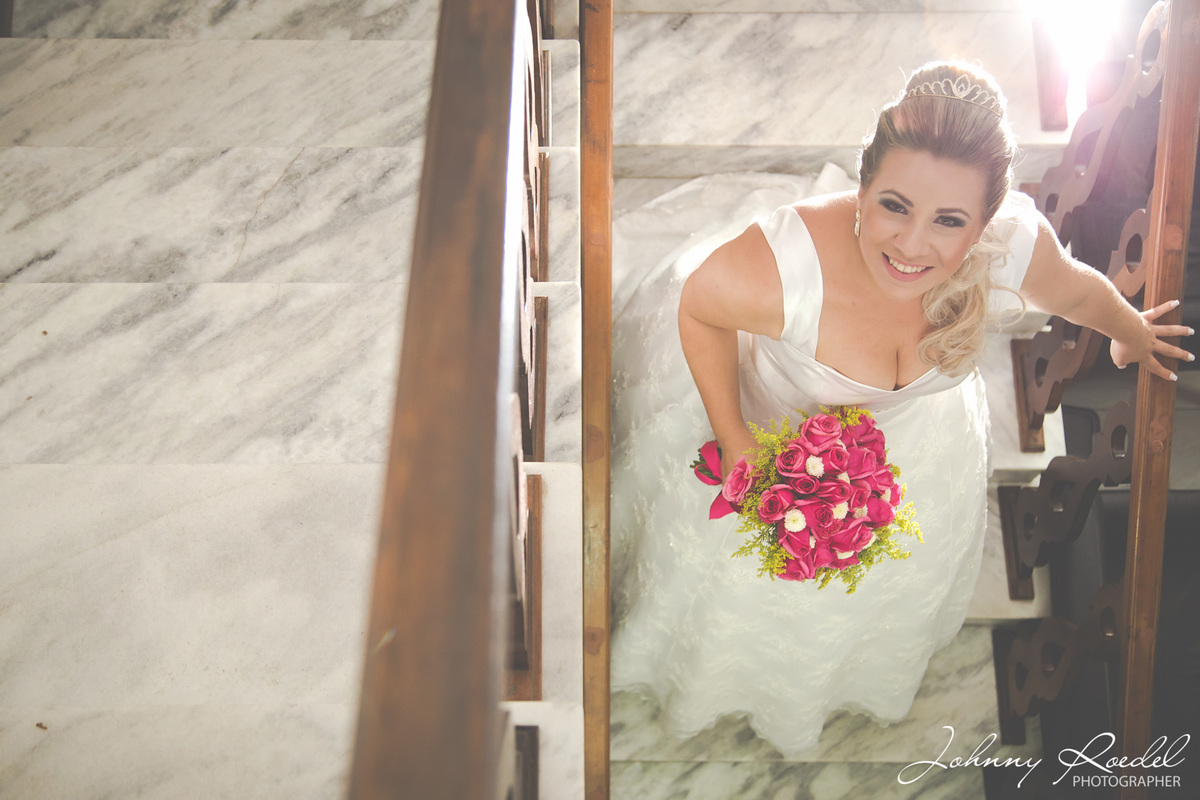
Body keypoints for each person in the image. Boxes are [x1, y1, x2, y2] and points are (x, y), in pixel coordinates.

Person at [608, 60, 1192, 758]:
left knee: (864, 599)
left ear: (984, 225)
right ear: (863, 188)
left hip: (918, 449)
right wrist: (735, 437)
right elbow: (700, 310)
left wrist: (1131, 332)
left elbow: (1074, 291)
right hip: (769, 423)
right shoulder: (783, 269)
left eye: (949, 221)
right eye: (894, 206)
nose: (912, 247)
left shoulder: (1011, 248)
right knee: (732, 586)